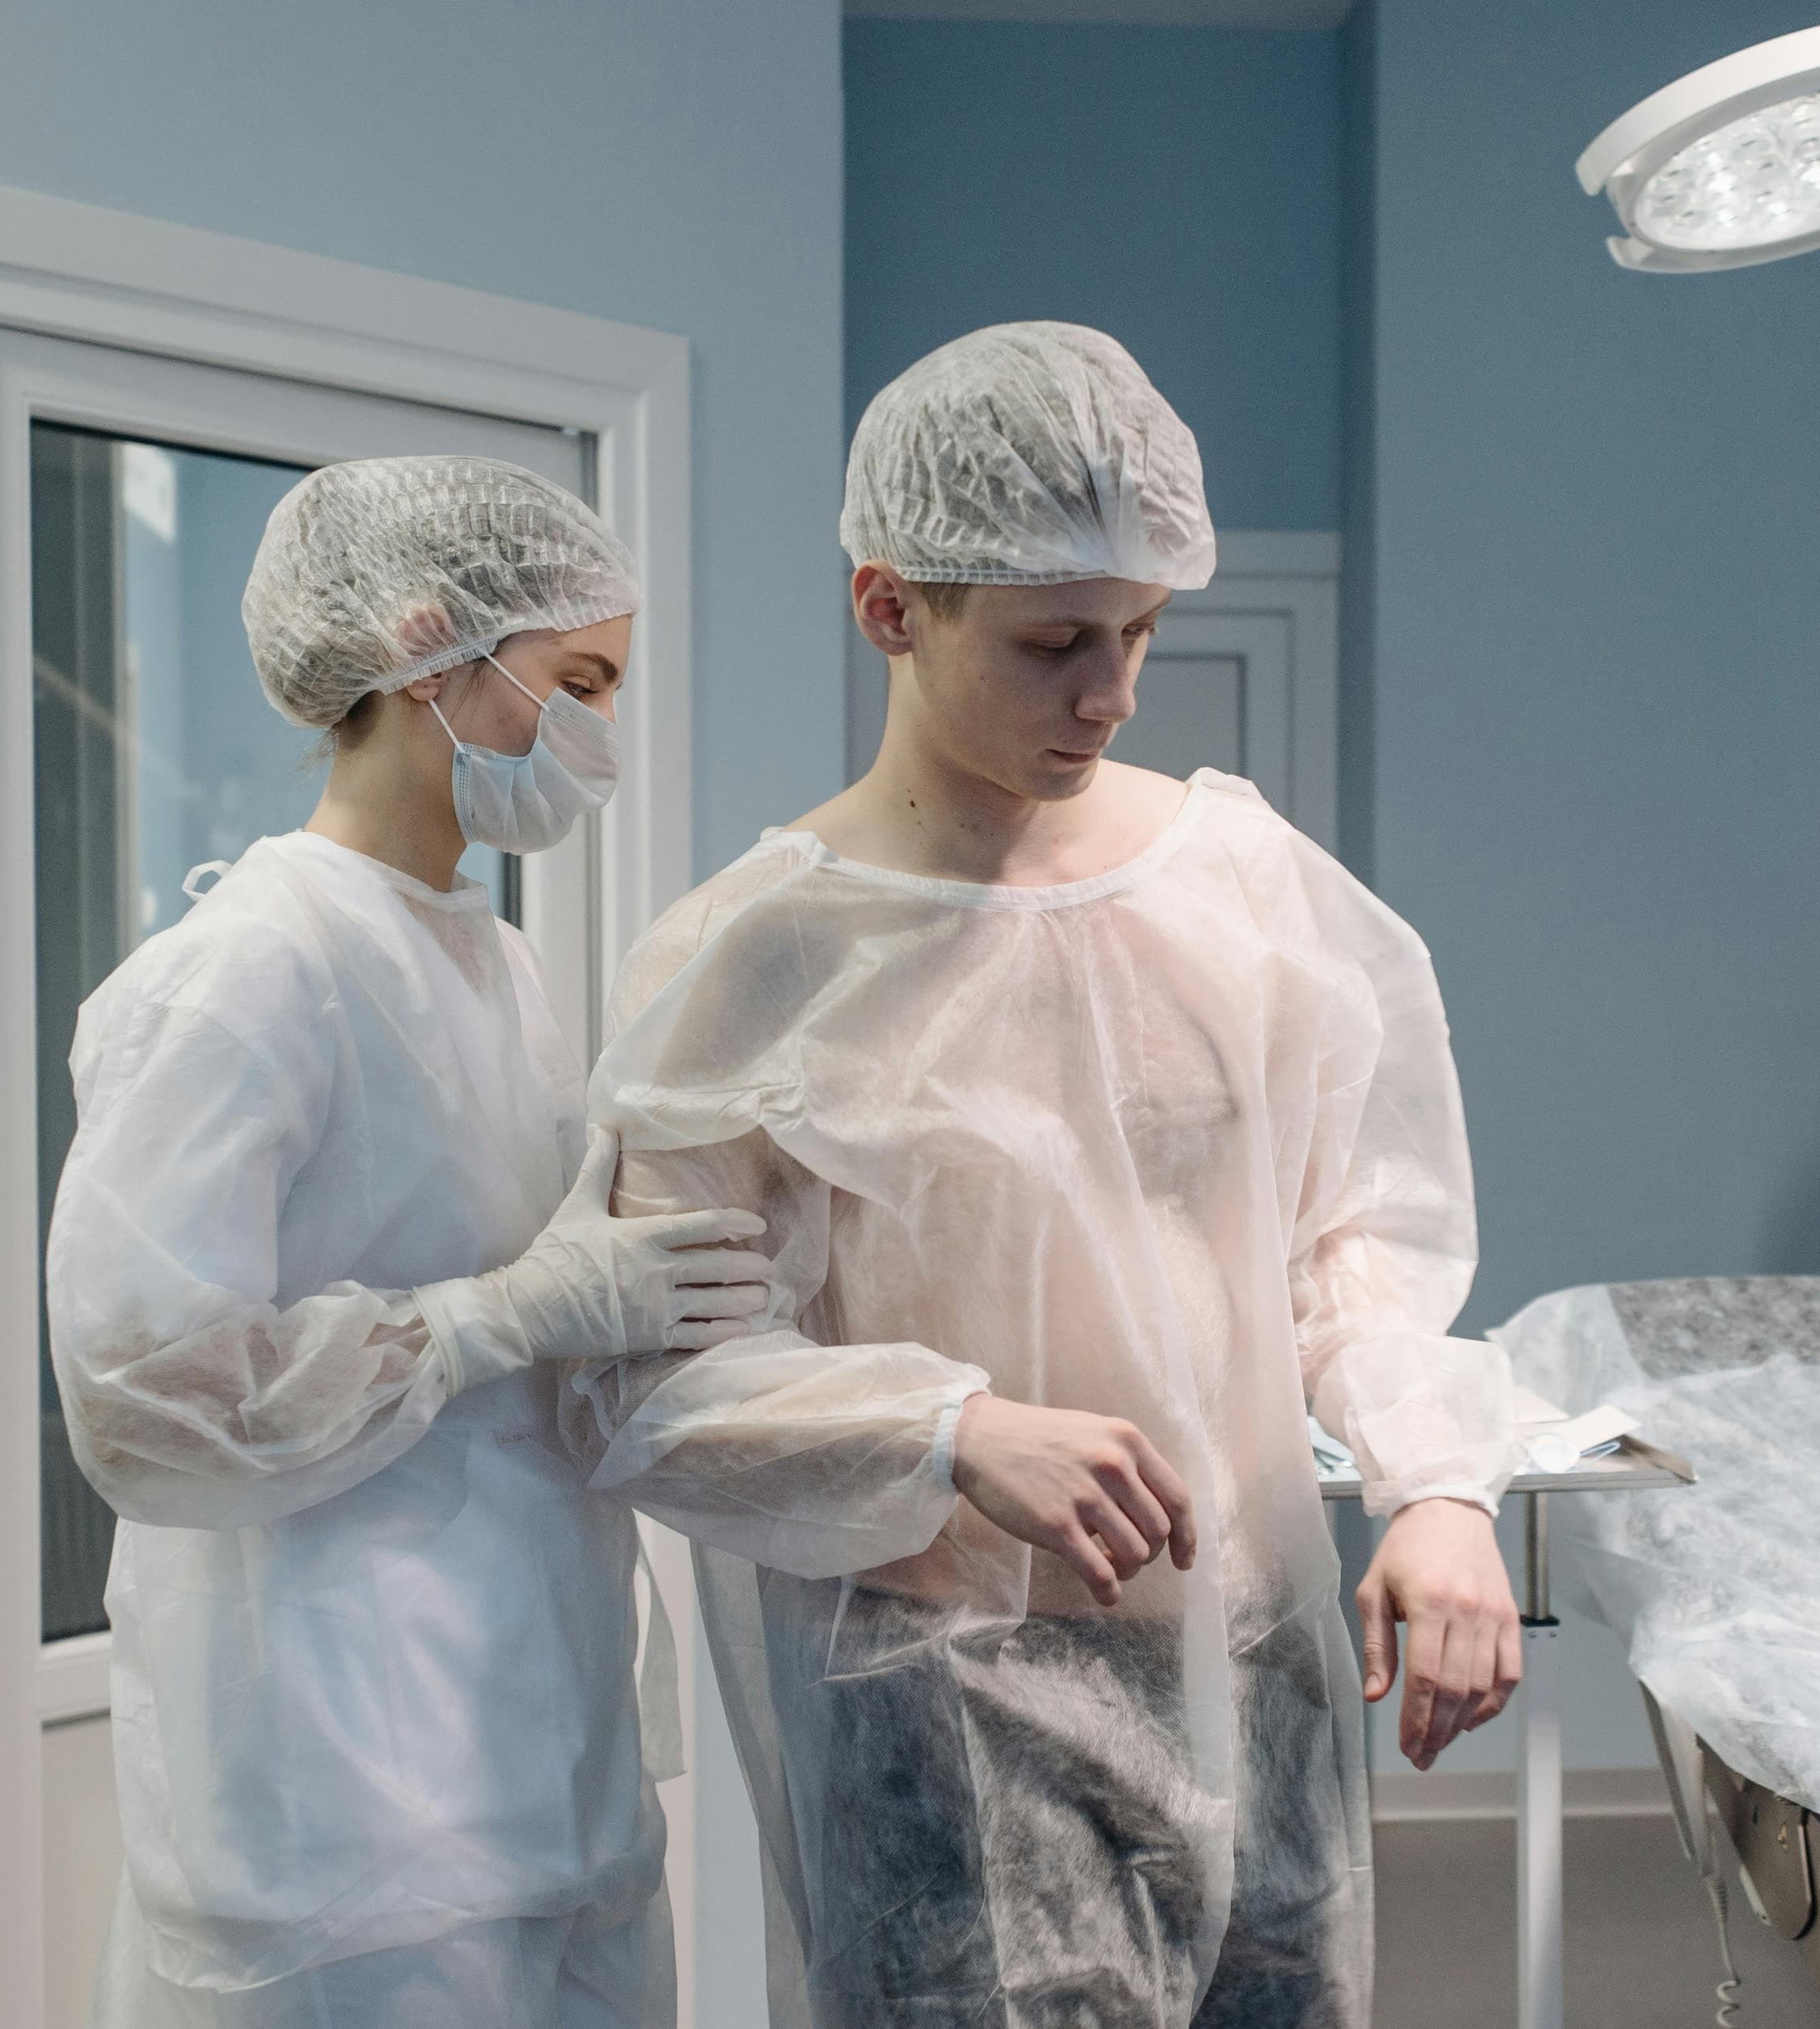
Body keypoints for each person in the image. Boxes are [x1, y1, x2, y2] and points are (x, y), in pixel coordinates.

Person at [561, 323, 1522, 2027]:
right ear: (889, 610)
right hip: (951, 1713)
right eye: (1057, 642)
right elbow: (655, 1375)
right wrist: (951, 1430)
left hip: (1254, 1664)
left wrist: (1438, 1485)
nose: (1114, 691)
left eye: (1144, 632)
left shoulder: (1241, 885)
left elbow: (1357, 1233)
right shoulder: (756, 963)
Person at [47, 456, 773, 2028]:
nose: (599, 737)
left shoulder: (496, 959)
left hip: (537, 1756)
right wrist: (499, 1317)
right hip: (336, 1810)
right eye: (578, 681)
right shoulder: (246, 972)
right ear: (435, 648)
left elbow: (530, 1292)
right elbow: (143, 1400)